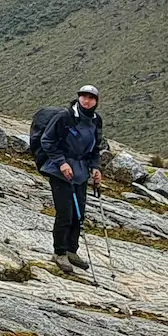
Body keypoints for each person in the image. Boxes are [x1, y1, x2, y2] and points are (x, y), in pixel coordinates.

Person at [40, 84, 106, 271]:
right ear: (78, 98)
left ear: (96, 101)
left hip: (81, 171)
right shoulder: (65, 117)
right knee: (65, 213)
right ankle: (59, 253)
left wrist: (95, 168)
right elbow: (47, 140)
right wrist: (62, 162)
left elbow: (94, 149)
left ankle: (71, 250)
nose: (86, 100)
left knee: (79, 214)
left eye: (91, 98)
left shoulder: (95, 121)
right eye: (83, 96)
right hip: (59, 171)